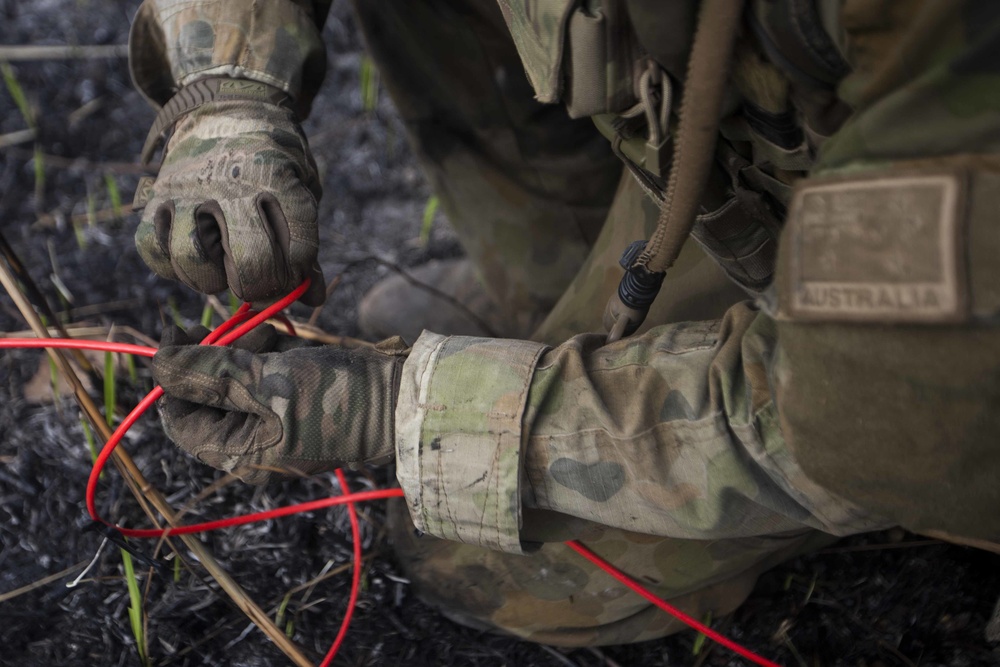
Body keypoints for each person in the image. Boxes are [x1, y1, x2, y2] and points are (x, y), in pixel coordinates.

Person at [128, 0, 1000, 646]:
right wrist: (228, 88)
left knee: (467, 558)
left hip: (908, 332)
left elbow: (870, 414)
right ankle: (551, 279)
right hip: (730, 145)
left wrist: (404, 414)